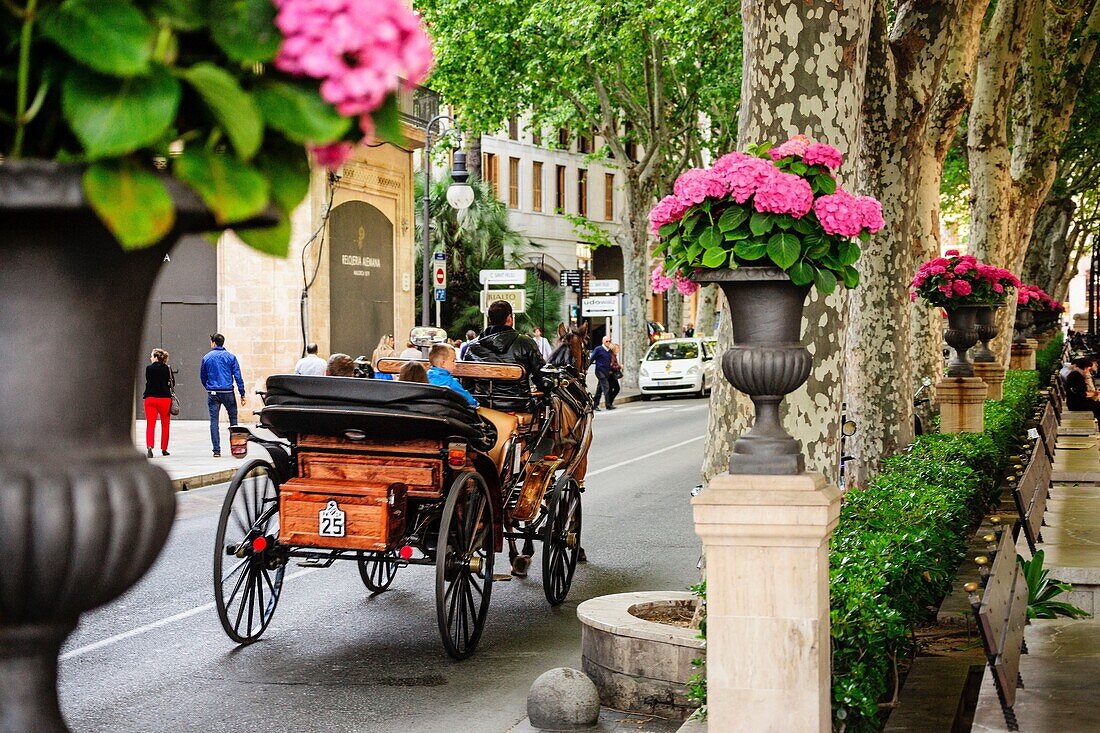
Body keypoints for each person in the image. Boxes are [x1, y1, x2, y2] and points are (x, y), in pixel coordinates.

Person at [464, 300, 546, 410]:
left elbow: (467, 384)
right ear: (509, 318)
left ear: (489, 319)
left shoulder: (473, 347)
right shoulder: (526, 343)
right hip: (519, 407)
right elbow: (540, 376)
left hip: (483, 407)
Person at [200, 333, 246, 458]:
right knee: (233, 420)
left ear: (213, 342)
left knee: (214, 421)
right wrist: (242, 393)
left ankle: (216, 450)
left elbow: (203, 377)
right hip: (227, 392)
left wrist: (209, 387)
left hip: (213, 393)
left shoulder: (206, 358)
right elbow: (238, 376)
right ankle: (236, 448)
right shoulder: (231, 357)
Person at [143, 348, 174, 458]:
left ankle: (150, 447)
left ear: (156, 357)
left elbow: (148, 380)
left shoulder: (149, 368)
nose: (150, 358)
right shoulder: (167, 368)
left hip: (150, 398)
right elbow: (172, 383)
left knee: (150, 425)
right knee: (165, 425)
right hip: (165, 399)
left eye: (152, 356)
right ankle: (164, 449)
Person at [1065, 355, 1100, 422]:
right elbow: (1082, 394)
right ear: (1085, 368)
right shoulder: (1076, 376)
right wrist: (1095, 394)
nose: (1088, 372)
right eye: (1088, 369)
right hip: (1076, 405)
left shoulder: (1077, 374)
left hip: (1077, 402)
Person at [590, 335, 614, 410]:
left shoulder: (609, 350)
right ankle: (608, 405)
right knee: (606, 387)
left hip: (607, 372)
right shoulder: (598, 349)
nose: (608, 343)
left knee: (599, 389)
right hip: (599, 371)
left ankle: (595, 405)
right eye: (607, 341)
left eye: (609, 341)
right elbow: (591, 359)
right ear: (603, 341)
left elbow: (611, 360)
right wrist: (586, 368)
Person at [607, 342, 622, 406]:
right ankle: (609, 402)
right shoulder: (612, 356)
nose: (618, 350)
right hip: (611, 374)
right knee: (616, 388)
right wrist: (619, 366)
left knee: (610, 389)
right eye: (617, 349)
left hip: (610, 374)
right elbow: (612, 366)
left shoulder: (613, 355)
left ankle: (609, 403)